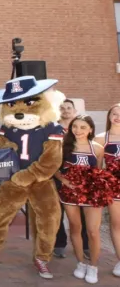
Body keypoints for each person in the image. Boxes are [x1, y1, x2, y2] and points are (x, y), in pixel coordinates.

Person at [54, 115, 104, 284]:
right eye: (75, 126)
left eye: (83, 127)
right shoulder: (63, 146)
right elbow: (54, 168)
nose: (78, 130)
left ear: (90, 129)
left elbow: (98, 170)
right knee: (75, 228)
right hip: (70, 193)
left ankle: (93, 266)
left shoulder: (97, 148)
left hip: (92, 194)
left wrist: (93, 185)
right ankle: (81, 263)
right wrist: (64, 181)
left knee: (92, 231)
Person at [53, 99, 90, 259]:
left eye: (69, 108)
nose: (66, 110)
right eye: (63, 108)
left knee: (82, 211)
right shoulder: (52, 129)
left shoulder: (80, 129)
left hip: (79, 177)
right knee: (58, 211)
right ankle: (59, 243)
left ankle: (86, 245)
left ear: (74, 111)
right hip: (58, 174)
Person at [95, 103, 120, 278]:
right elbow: (97, 169)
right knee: (116, 224)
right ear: (109, 116)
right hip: (114, 187)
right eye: (114, 114)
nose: (118, 117)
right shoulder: (101, 139)